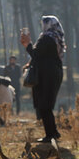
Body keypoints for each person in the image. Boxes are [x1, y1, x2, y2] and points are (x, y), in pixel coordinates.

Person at [20, 15, 64, 143]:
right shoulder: (56, 37)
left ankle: (50, 135)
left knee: (44, 105)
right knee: (47, 105)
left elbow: (36, 54)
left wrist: (27, 44)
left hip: (46, 75)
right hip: (54, 74)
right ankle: (53, 132)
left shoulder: (46, 38)